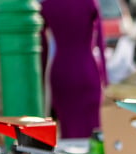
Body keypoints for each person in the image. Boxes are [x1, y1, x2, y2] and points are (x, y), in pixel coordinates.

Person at [41, 0, 108, 139]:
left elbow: (43, 48)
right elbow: (100, 43)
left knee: (68, 128)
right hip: (87, 70)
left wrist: (41, 76)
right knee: (92, 129)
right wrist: (105, 77)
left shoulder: (47, 5)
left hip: (61, 72)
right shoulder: (90, 2)